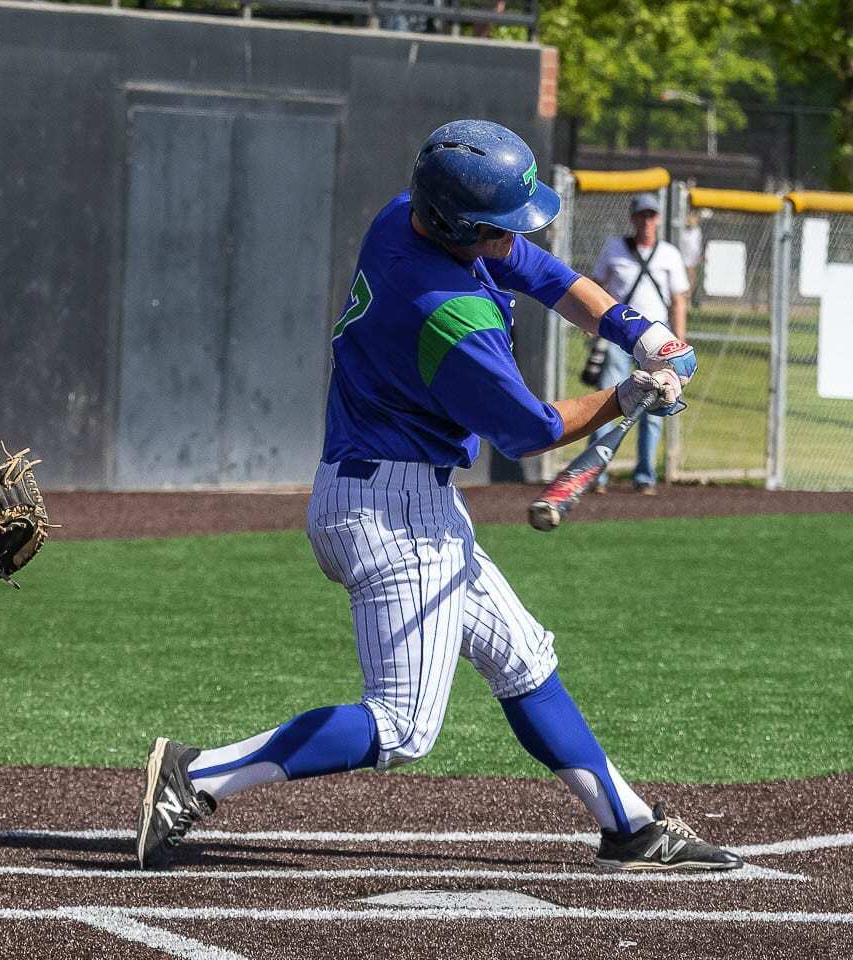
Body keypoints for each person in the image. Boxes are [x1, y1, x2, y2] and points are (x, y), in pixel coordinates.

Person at [134, 119, 743, 875]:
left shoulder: (407, 215)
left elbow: (537, 269)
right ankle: (198, 777)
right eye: (497, 226)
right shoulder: (448, 316)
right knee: (401, 727)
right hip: (391, 517)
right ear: (458, 224)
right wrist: (626, 396)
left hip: (391, 494)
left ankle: (631, 826)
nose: (509, 238)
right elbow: (530, 430)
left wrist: (638, 330)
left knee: (522, 658)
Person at [590, 193, 689, 495]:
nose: (647, 221)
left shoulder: (669, 253)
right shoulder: (614, 248)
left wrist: (679, 339)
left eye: (651, 215)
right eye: (642, 215)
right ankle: (595, 474)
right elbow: (595, 287)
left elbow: (678, 300)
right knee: (606, 402)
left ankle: (645, 476)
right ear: (633, 218)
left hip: (657, 345)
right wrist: (592, 323)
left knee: (655, 405)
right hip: (618, 337)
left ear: (658, 219)